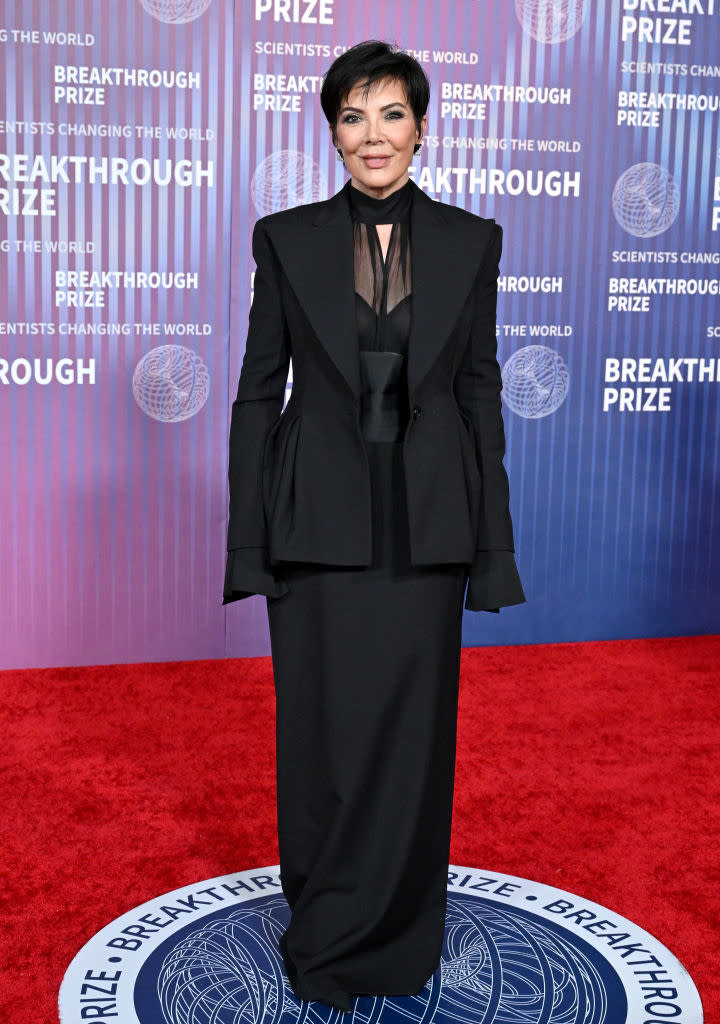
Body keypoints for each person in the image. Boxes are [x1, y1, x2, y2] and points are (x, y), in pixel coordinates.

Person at [223, 39, 526, 1014]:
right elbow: (255, 395)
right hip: (316, 526)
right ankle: (324, 924)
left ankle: (398, 934)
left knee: (412, 741)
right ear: (331, 130)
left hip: (426, 526)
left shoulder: (475, 240)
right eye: (353, 116)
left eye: (391, 114)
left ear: (421, 127)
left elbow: (481, 395)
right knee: (320, 735)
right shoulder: (287, 236)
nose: (373, 135)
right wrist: (249, 542)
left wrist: (492, 550)